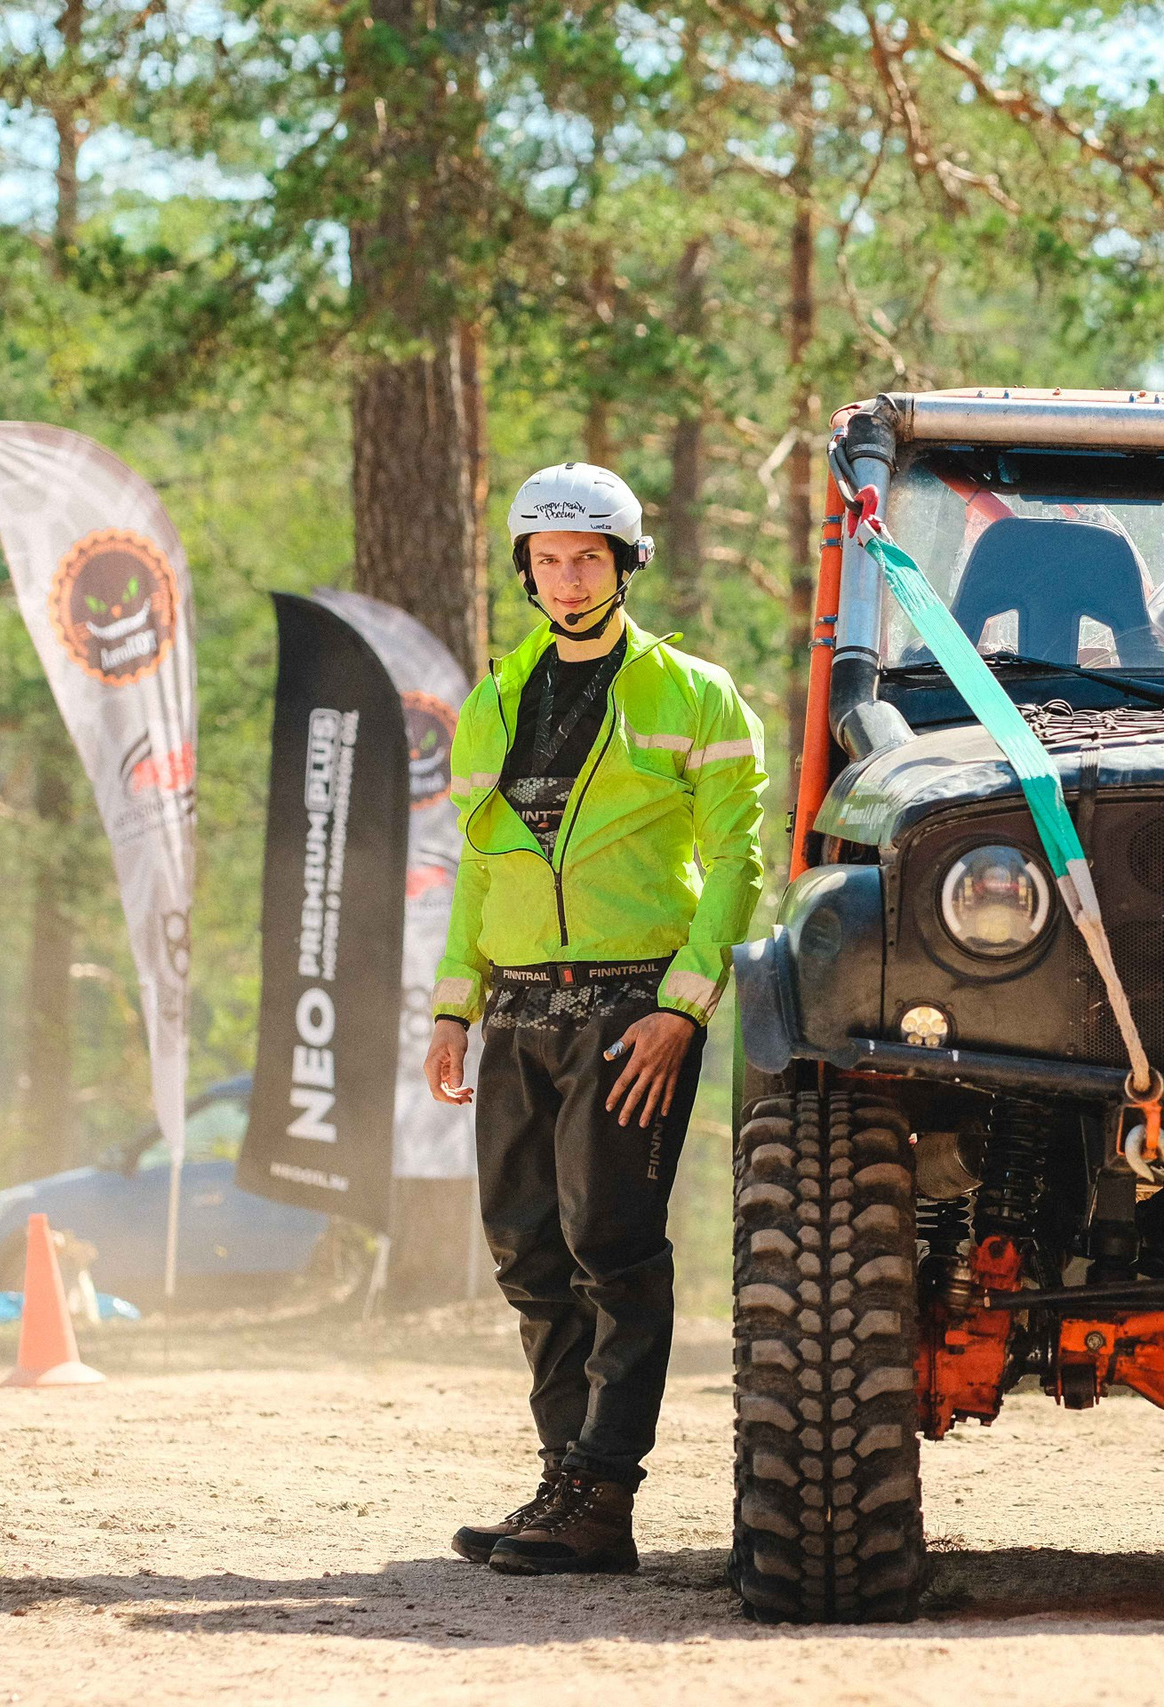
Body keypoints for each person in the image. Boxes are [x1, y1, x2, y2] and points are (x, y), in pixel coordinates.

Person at [421, 462, 766, 1575]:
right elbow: (476, 869)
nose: (567, 577)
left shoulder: (697, 695)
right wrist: (450, 1007)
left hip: (632, 1008)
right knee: (526, 1250)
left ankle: (601, 1495)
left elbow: (737, 867)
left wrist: (682, 1008)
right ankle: (561, 1480)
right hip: (516, 1010)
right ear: (526, 569)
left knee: (609, 1246)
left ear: (625, 564)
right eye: (548, 558)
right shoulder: (496, 698)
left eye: (588, 557)